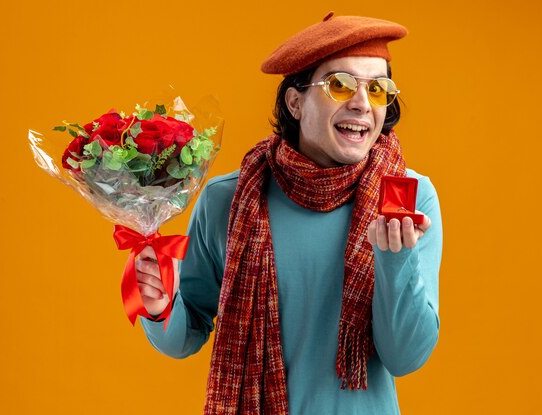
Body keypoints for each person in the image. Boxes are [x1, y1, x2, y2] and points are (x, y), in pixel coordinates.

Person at [136, 13, 442, 415]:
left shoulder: (405, 198)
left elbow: (405, 358)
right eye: (340, 84)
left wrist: (395, 257)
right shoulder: (227, 199)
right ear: (295, 103)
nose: (363, 104)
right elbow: (186, 334)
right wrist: (159, 308)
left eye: (379, 89)